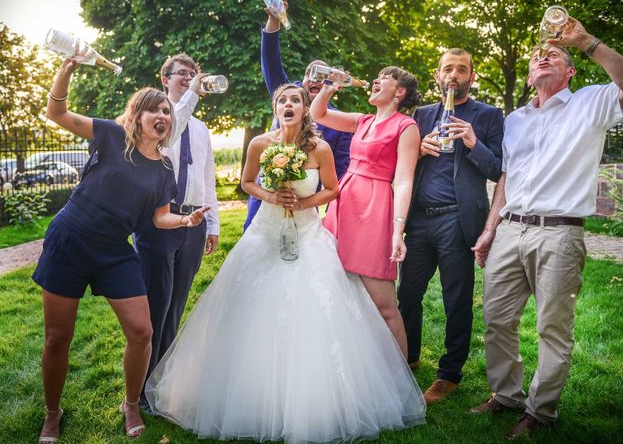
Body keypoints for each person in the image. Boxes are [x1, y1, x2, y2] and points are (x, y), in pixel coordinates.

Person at [146, 83, 426, 442]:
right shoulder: (260, 144)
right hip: (265, 232)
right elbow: (247, 182)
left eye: (296, 100)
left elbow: (333, 189)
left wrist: (304, 204)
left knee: (315, 311)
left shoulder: (319, 148)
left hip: (308, 235)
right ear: (275, 107)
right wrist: (270, 194)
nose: (289, 104)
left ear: (305, 109)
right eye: (283, 100)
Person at [469, 18, 623, 439]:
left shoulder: (590, 103)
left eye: (553, 55)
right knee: (497, 319)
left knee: (552, 327)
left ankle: (540, 412)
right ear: (530, 76)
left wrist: (583, 41)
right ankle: (506, 395)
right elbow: (507, 178)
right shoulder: (515, 120)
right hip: (511, 229)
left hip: (560, 233)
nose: (542, 57)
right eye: (536, 57)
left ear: (569, 71)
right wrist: (491, 228)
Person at [34, 58, 209, 443]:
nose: (163, 114)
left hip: (114, 251)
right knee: (57, 336)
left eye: (167, 110)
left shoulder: (163, 169)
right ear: (139, 114)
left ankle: (130, 402)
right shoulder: (112, 135)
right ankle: (52, 413)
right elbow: (56, 112)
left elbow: (159, 217)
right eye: (155, 108)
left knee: (142, 331)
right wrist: (67, 68)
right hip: (71, 241)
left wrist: (185, 221)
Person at [397, 49, 503, 404]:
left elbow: (497, 170)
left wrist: (473, 141)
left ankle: (449, 375)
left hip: (458, 220)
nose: (454, 75)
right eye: (448, 69)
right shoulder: (422, 114)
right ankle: (409, 357)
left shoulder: (487, 115)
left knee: (456, 299)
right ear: (438, 75)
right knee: (407, 295)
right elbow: (401, 167)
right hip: (420, 221)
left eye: (462, 69)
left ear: (471, 76)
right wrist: (418, 150)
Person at [310, 66, 421, 357]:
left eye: (384, 78)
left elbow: (405, 179)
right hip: (344, 203)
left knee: (385, 305)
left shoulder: (406, 127)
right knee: (340, 290)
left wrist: (398, 230)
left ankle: (402, 379)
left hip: (375, 208)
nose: (375, 80)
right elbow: (317, 114)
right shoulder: (363, 121)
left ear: (399, 92)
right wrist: (329, 87)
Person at [134, 54, 220, 410]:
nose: (189, 78)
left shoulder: (201, 128)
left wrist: (212, 224)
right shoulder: (159, 121)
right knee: (157, 304)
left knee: (177, 304)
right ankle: (139, 387)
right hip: (159, 223)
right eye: (182, 74)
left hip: (193, 225)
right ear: (165, 77)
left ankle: (162, 383)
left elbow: (207, 176)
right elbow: (173, 129)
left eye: (193, 74)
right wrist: (192, 95)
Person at [244, 0, 353, 230]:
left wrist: (324, 212)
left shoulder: (341, 125)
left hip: (305, 209)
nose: (315, 79)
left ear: (331, 83)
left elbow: (342, 178)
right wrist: (274, 21)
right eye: (310, 74)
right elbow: (271, 61)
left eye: (323, 76)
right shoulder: (287, 95)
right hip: (264, 203)